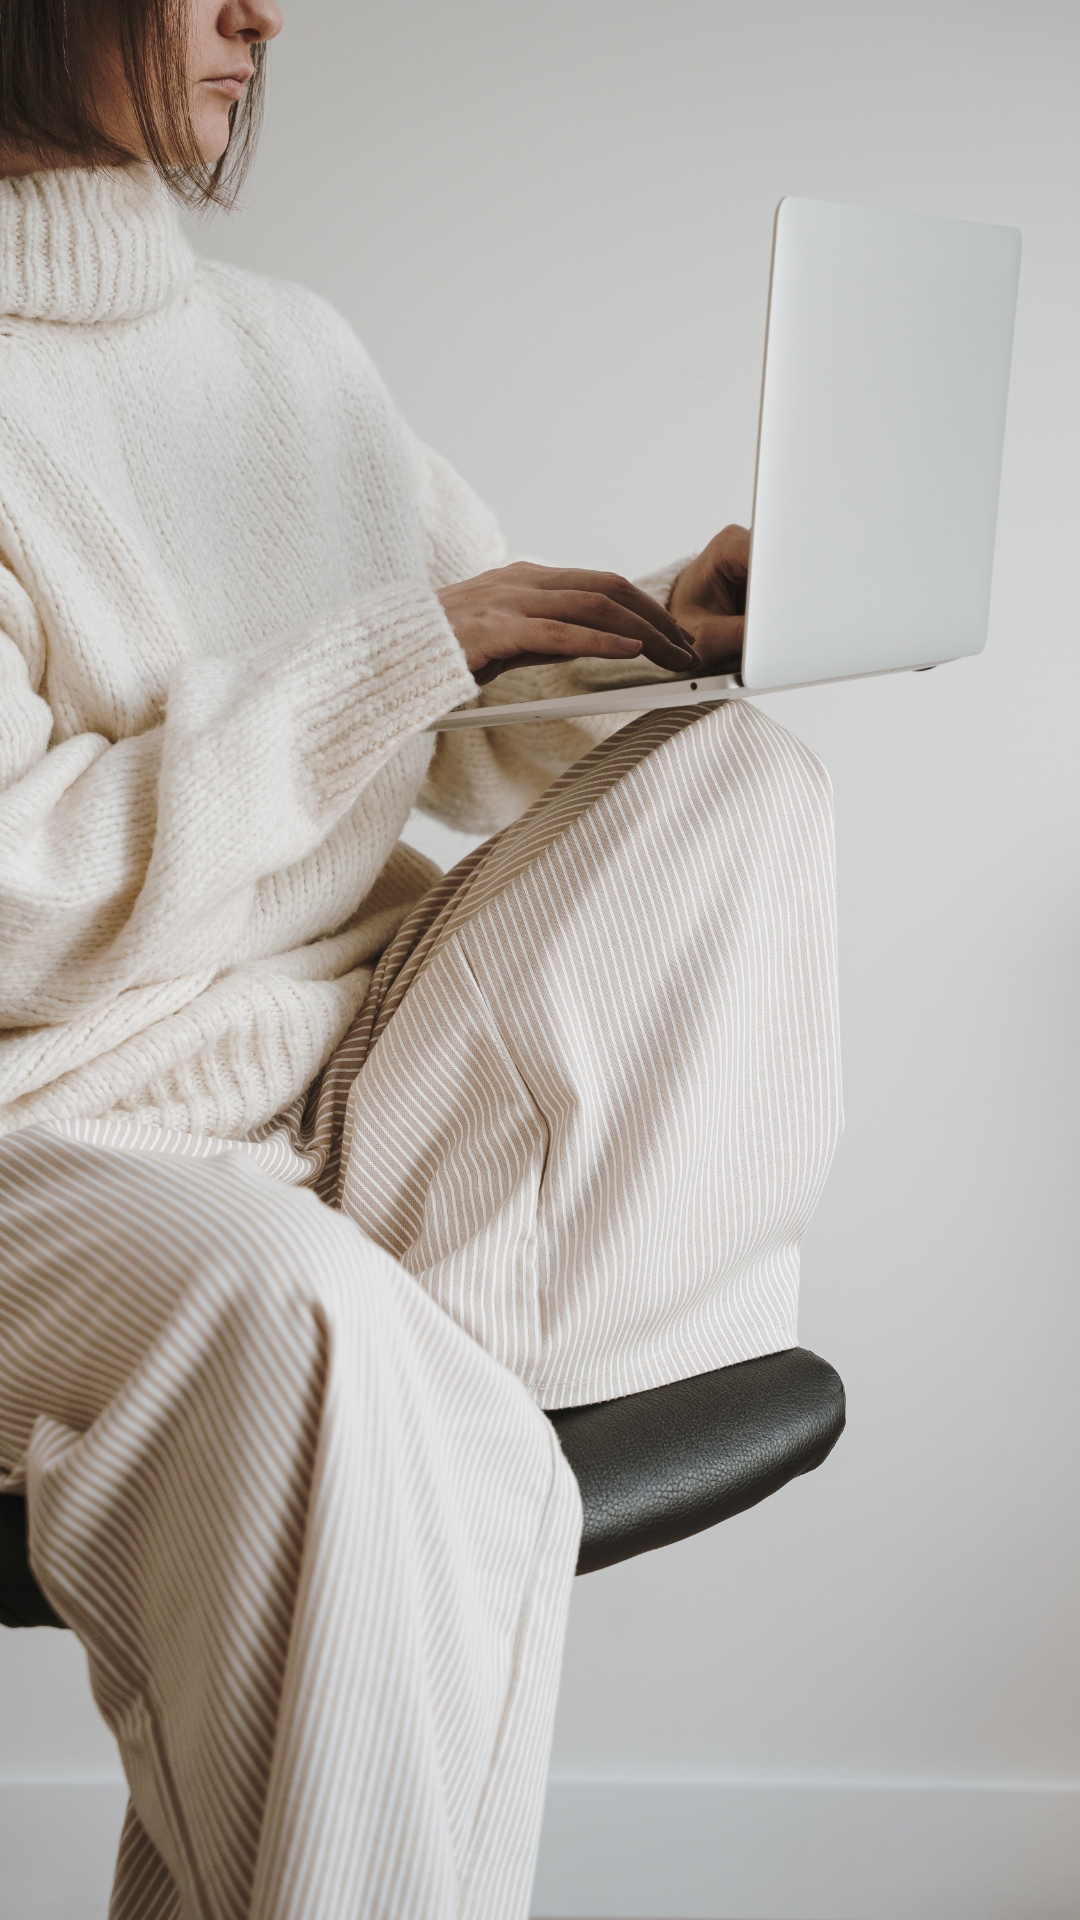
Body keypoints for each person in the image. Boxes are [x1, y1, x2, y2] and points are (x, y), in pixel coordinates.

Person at [0, 3, 843, 1915]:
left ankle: (391, 1457)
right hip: (52, 1154)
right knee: (309, 1327)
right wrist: (410, 650)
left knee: (746, 789)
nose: (261, 9)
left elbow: (456, 709)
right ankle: (400, 1440)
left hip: (335, 1111)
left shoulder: (291, 353)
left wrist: (656, 639)